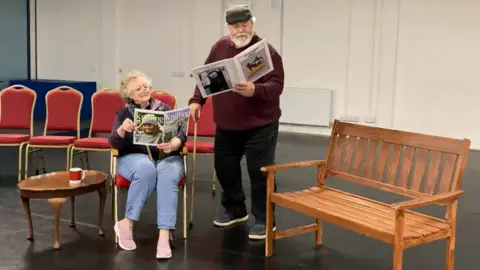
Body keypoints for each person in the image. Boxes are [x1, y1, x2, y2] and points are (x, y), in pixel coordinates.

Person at [188, 4, 284, 240]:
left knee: (259, 173)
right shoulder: (219, 47)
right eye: (235, 25)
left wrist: (255, 89)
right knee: (225, 168)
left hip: (260, 125)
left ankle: (264, 219)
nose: (241, 29)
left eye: (245, 24)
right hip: (227, 124)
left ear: (252, 22)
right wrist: (196, 100)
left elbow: (277, 85)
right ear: (228, 26)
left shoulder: (266, 51)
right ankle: (235, 208)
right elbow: (206, 76)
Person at [108, 70, 186, 259]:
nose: (144, 90)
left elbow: (181, 133)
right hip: (133, 158)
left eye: (146, 87)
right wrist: (121, 130)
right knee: (145, 168)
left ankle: (164, 235)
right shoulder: (124, 113)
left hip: (167, 157)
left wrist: (175, 142)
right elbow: (114, 143)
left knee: (168, 174)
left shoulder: (164, 108)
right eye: (138, 88)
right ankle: (127, 224)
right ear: (129, 94)